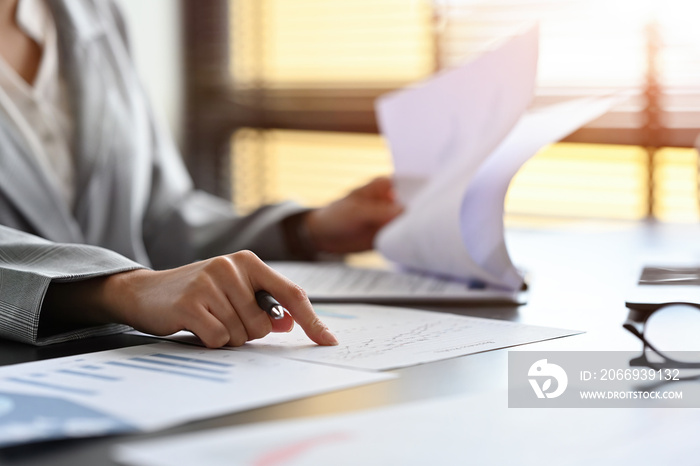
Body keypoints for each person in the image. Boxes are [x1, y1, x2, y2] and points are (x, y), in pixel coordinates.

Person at [0, 0, 401, 347]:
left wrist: (305, 229)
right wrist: (119, 289)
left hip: (138, 373)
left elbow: (159, 216)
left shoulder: (94, 13)